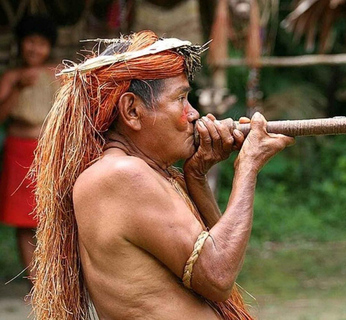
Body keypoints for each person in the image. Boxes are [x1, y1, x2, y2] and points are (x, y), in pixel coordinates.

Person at [30, 30, 294, 319]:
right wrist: (248, 166)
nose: (194, 114)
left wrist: (196, 178)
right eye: (181, 99)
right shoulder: (122, 175)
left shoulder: (134, 172)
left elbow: (223, 257)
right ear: (132, 111)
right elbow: (218, 277)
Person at [0, 15, 58, 282]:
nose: (35, 49)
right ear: (21, 44)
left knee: (50, 214)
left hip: (47, 151)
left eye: (41, 43)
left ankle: (53, 276)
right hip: (17, 151)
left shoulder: (58, 74)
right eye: (30, 42)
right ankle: (35, 282)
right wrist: (17, 88)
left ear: (50, 47)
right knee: (23, 220)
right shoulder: (11, 77)